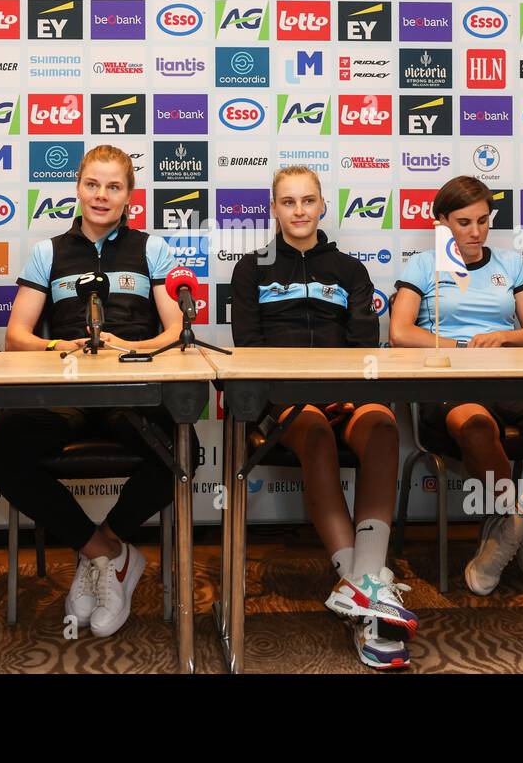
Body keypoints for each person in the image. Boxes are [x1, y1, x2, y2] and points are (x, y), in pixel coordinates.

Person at [0, 144, 198, 639]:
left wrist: (132, 346)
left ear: (129, 196)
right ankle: (107, 555)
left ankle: (101, 548)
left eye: (113, 187)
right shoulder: (48, 251)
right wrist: (61, 343)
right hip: (67, 389)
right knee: (0, 455)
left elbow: (174, 330)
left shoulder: (152, 249)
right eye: (92, 185)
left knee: (185, 452)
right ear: (78, 188)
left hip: (132, 390)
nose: (102, 195)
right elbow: (17, 337)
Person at [230, 165, 414, 670]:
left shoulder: (350, 270)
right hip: (285, 401)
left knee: (381, 427)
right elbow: (248, 349)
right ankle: (365, 587)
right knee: (314, 434)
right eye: (288, 202)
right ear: (274, 209)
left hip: (346, 393)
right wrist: (300, 391)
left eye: (307, 201)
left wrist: (348, 392)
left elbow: (362, 344)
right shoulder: (250, 269)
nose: (299, 211)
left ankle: (364, 581)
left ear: (321, 206)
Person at [390, 175, 523, 597]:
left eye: (483, 220)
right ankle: (521, 535)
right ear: (441, 221)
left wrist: (504, 337)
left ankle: (511, 530)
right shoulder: (423, 265)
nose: (476, 231)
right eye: (464, 222)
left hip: (509, 375)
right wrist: (460, 344)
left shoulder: (511, 263)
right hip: (449, 378)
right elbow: (401, 332)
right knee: (477, 425)